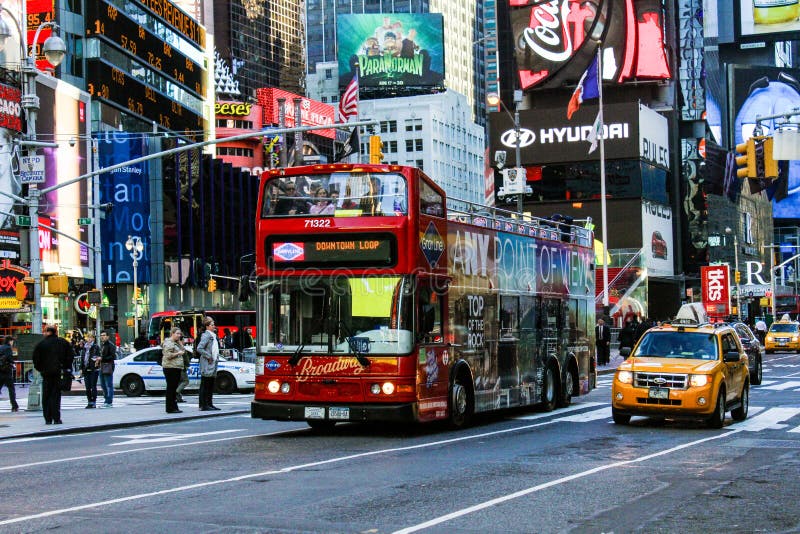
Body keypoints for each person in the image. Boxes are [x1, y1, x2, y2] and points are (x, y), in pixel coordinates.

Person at [32, 326, 73, 424]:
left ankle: (48, 418)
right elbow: (70, 356)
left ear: (47, 332)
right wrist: (65, 367)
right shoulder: (63, 343)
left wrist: (41, 369)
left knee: (46, 395)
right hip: (59, 372)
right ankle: (56, 417)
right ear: (55, 332)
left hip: (46, 373)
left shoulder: (41, 344)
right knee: (56, 396)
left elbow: (36, 360)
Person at [196, 317, 220, 411]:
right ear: (207, 326)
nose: (214, 326)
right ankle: (203, 404)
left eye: (214, 324)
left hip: (213, 362)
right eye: (212, 325)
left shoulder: (213, 335)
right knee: (205, 384)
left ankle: (209, 403)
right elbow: (199, 348)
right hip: (207, 362)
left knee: (210, 384)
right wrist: (208, 356)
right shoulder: (206, 336)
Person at [161, 327, 186, 414]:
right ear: (172, 333)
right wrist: (178, 353)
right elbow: (168, 355)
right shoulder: (169, 343)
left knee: (173, 387)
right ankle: (170, 407)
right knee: (171, 388)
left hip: (176, 367)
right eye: (177, 334)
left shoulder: (176, 343)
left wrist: (180, 343)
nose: (179, 335)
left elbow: (184, 351)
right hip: (170, 367)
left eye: (180, 334)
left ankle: (174, 406)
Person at [79, 333, 101, 408]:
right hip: (86, 369)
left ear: (93, 339)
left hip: (93, 369)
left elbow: (99, 356)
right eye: (88, 337)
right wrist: (81, 368)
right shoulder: (84, 348)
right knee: (87, 387)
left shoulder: (96, 347)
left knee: (93, 386)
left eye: (90, 337)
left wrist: (97, 361)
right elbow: (82, 358)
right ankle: (89, 401)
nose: (89, 339)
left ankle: (93, 401)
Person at [98, 330, 116, 407]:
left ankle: (109, 401)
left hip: (108, 366)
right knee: (103, 384)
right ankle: (106, 399)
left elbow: (112, 356)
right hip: (102, 366)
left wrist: (102, 358)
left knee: (108, 384)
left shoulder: (111, 345)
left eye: (104, 335)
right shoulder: (103, 345)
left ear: (108, 336)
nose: (102, 336)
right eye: (101, 335)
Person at [0, 336, 18, 412]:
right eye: (12, 341)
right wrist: (13, 364)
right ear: (10, 341)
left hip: (0, 371)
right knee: (11, 388)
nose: (12, 342)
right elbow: (10, 358)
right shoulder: (8, 348)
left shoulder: (0, 347)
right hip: (6, 371)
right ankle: (14, 405)